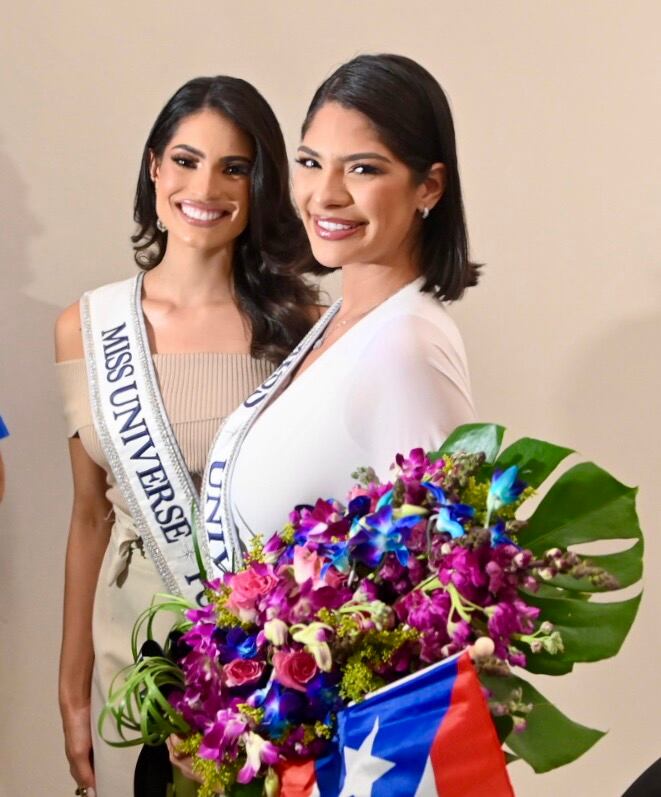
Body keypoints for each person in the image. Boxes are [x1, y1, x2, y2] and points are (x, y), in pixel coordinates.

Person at [171, 52, 479, 786]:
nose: (325, 194)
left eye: (363, 169)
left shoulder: (407, 343)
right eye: (311, 162)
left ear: (428, 186)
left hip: (350, 765)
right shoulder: (337, 319)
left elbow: (442, 607)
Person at [55, 75, 319, 797]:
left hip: (258, 658)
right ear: (153, 167)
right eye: (185, 158)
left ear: (258, 185)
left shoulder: (300, 327)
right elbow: (89, 514)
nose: (205, 184)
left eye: (234, 166)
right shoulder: (87, 326)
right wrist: (73, 685)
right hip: (128, 657)